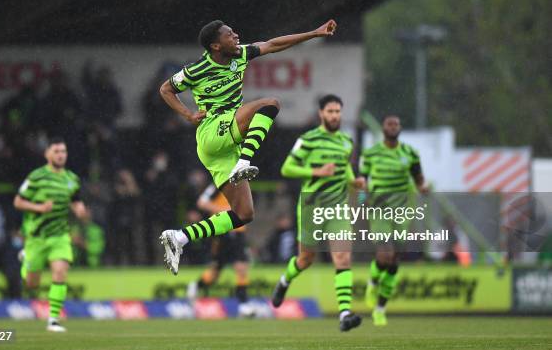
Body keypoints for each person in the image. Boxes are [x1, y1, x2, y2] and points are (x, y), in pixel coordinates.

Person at [158, 18, 338, 274]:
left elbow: (273, 44)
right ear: (215, 46)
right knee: (270, 103)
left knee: (243, 214)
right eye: (229, 35)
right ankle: (245, 161)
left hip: (222, 148)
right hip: (212, 131)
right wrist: (187, 115)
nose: (236, 36)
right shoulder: (196, 69)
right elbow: (165, 89)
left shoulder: (240, 55)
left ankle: (179, 237)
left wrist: (314, 33)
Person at [270, 95, 364, 332]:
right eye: (330, 111)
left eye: (338, 111)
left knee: (342, 258)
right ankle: (284, 281)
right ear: (321, 113)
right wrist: (318, 171)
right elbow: (287, 168)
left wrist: (356, 182)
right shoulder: (308, 140)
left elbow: (345, 173)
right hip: (312, 207)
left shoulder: (346, 142)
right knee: (305, 260)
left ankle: (344, 314)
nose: (335, 115)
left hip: (338, 207)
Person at [359, 115, 428, 326]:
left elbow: (418, 180)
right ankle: (372, 282)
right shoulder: (371, 154)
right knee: (385, 253)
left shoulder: (410, 154)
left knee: (394, 260)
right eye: (389, 124)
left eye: (396, 124)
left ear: (400, 128)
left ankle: (380, 308)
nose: (393, 127)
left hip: (402, 211)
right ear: (383, 128)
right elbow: (363, 178)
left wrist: (423, 188)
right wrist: (362, 194)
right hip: (379, 209)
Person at [14, 137, 87, 332]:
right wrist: (39, 207)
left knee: (60, 272)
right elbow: (18, 202)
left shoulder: (72, 179)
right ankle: (25, 259)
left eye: (63, 151)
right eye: (56, 151)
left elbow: (76, 200)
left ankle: (53, 320)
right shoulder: (36, 177)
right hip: (36, 237)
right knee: (31, 284)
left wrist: (80, 210)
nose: (61, 155)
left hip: (60, 235)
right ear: (47, 154)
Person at [186, 183, 254, 317]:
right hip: (222, 231)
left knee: (241, 266)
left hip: (238, 231)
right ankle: (196, 286)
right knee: (215, 272)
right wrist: (225, 211)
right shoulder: (218, 184)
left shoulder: (242, 184)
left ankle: (244, 304)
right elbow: (202, 202)